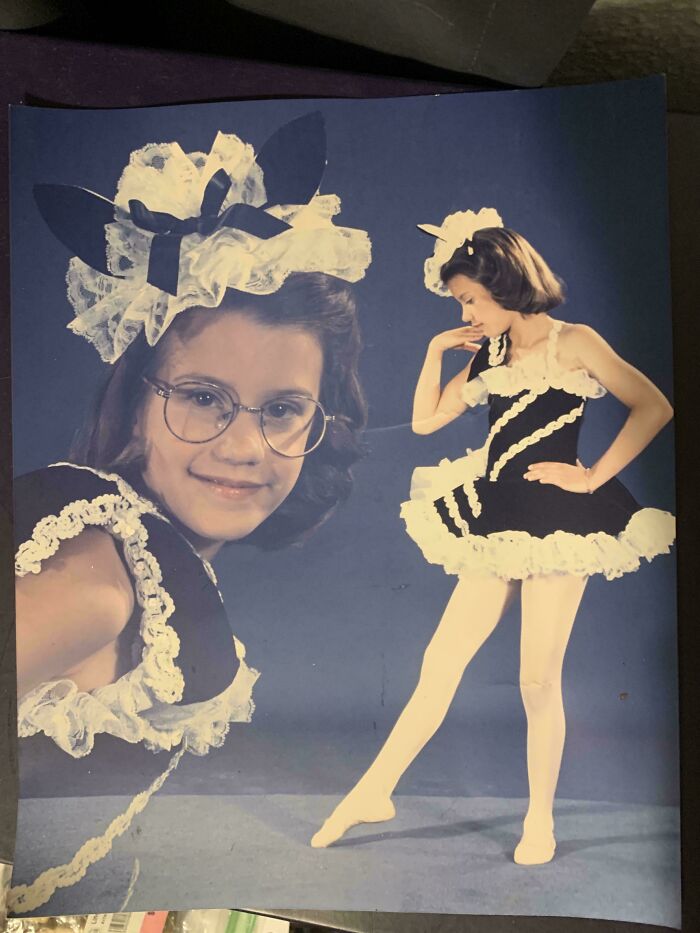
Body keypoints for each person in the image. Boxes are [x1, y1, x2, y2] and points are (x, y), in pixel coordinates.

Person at [11, 113, 372, 913]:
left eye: (283, 409)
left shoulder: (151, 562)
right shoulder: (101, 571)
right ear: (134, 398)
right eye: (204, 397)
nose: (244, 445)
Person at [311, 209, 675, 865]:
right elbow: (425, 422)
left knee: (536, 678)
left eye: (471, 300)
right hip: (496, 514)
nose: (469, 314)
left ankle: (541, 820)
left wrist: (593, 477)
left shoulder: (577, 343)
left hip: (561, 523)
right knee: (439, 661)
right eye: (461, 303)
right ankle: (374, 789)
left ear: (506, 284)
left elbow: (656, 406)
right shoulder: (491, 352)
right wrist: (432, 351)